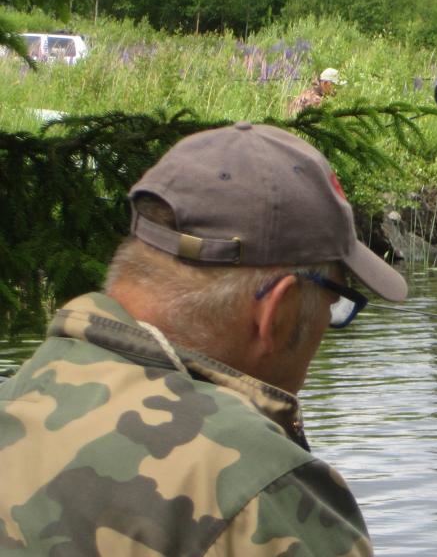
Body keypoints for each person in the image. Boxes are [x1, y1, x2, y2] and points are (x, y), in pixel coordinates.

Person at [0, 122, 408, 555]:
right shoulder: (257, 494)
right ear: (279, 313)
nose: (328, 324)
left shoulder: (17, 398)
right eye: (333, 306)